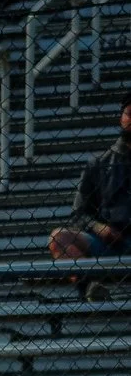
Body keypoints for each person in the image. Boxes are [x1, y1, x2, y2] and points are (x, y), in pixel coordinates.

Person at [48, 97, 131, 299]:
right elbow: (79, 213)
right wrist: (99, 228)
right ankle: (90, 288)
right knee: (58, 237)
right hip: (109, 242)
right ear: (121, 118)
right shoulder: (99, 163)